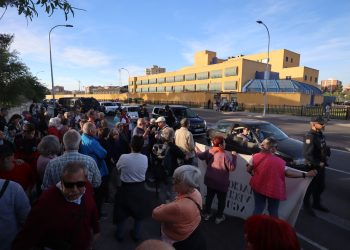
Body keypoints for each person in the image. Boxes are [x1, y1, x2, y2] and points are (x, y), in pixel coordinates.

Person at [13, 161, 100, 250]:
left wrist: (96, 230)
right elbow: (28, 234)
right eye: (69, 185)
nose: (75, 189)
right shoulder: (46, 202)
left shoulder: (88, 187)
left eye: (80, 184)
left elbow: (92, 207)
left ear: (85, 180)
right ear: (62, 182)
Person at [246, 137, 317, 218]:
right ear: (272, 149)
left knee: (258, 208)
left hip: (258, 187)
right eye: (276, 147)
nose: (276, 149)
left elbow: (248, 169)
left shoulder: (255, 156)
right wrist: (305, 174)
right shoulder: (280, 162)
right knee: (273, 210)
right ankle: (274, 228)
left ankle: (253, 227)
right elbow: (288, 173)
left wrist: (254, 174)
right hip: (273, 190)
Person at [152, 165, 206, 250]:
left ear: (187, 185)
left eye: (177, 180)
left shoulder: (178, 207)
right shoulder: (196, 192)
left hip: (175, 238)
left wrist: (165, 205)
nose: (173, 182)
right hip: (190, 231)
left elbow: (155, 214)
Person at [113, 135, 150, 242]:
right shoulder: (145, 158)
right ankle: (137, 235)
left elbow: (117, 168)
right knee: (139, 214)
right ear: (142, 146)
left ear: (130, 145)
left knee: (121, 212)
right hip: (140, 188)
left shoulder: (124, 157)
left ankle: (119, 235)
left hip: (125, 188)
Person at [195, 135, 236, 224]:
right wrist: (234, 157)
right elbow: (232, 168)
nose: (225, 144)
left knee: (209, 197)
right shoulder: (224, 155)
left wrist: (197, 149)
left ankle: (207, 214)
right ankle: (219, 217)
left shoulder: (210, 151)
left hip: (210, 179)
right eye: (224, 142)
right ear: (220, 145)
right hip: (221, 183)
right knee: (221, 200)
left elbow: (200, 156)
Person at [0, 144, 31, 250]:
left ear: (13, 156)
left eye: (7, 156)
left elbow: (32, 183)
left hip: (13, 236)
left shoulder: (24, 167)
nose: (4, 160)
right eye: (2, 158)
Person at [303, 116, 331, 216]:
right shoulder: (309, 136)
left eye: (324, 123)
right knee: (310, 188)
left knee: (320, 187)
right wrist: (318, 163)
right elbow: (307, 154)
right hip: (312, 166)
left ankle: (316, 203)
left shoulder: (319, 134)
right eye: (321, 123)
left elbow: (321, 146)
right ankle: (306, 206)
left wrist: (326, 151)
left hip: (321, 165)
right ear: (313, 124)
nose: (324, 125)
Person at [80, 122, 109, 217]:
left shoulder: (82, 137)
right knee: (97, 196)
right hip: (98, 170)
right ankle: (97, 214)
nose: (97, 130)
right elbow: (104, 153)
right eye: (95, 128)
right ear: (91, 131)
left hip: (86, 170)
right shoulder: (92, 142)